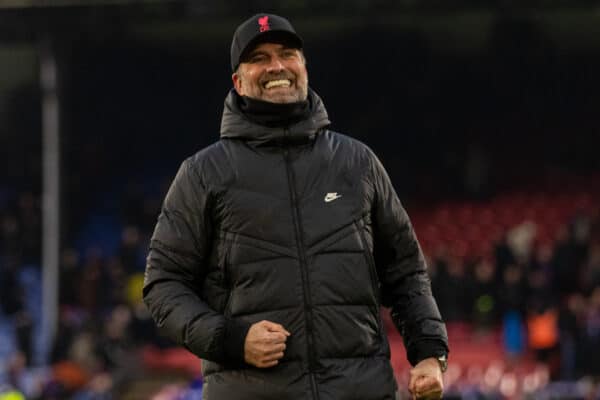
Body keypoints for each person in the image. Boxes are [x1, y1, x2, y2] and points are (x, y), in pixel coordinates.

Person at [143, 13, 449, 400]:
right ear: (238, 81)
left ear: (304, 68)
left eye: (288, 54)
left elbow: (405, 271)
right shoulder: (203, 174)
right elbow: (163, 286)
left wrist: (429, 353)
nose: (276, 66)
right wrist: (233, 340)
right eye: (259, 58)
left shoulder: (357, 163)